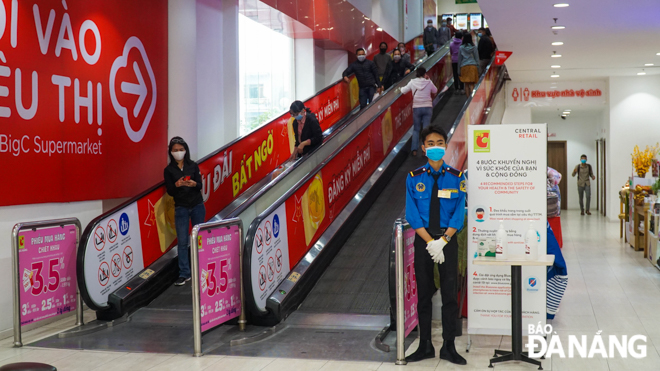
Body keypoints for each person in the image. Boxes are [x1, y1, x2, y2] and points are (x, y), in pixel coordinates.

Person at [405, 125, 467, 365]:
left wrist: (443, 241)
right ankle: (425, 345)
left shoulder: (456, 177)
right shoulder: (413, 178)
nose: (435, 147)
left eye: (439, 143)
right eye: (430, 144)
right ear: (423, 148)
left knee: (450, 294)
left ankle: (449, 346)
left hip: (447, 241)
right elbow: (413, 215)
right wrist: (431, 242)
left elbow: (458, 215)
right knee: (423, 294)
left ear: (445, 146)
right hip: (424, 242)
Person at [164, 137, 206, 286]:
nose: (178, 152)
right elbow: (170, 191)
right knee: (182, 242)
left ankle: (202, 269)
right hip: (181, 207)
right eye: (175, 150)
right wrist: (177, 184)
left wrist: (194, 183)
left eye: (181, 149)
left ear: (185, 150)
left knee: (199, 239)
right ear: (171, 152)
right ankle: (184, 274)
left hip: (197, 205)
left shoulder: (193, 165)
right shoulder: (169, 170)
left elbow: (200, 185)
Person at [400, 67, 437, 156]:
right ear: (425, 74)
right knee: (426, 129)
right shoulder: (428, 82)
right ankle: (425, 150)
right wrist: (429, 80)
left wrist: (399, 88)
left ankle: (414, 150)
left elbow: (403, 91)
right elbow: (435, 90)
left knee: (416, 129)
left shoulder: (412, 82)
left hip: (417, 108)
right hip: (427, 107)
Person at [458, 33, 480, 97]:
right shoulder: (474, 47)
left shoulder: (461, 48)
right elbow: (476, 58)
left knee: (466, 84)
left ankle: (468, 99)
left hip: (464, 66)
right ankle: (472, 99)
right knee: (472, 84)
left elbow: (459, 59)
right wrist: (478, 68)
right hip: (473, 66)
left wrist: (458, 70)